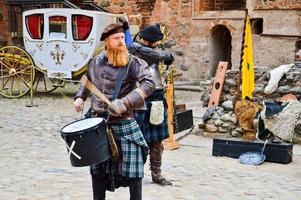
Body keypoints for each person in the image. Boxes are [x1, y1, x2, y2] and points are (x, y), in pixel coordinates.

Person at [73, 22, 155, 200]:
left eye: (122, 38)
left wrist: (125, 102)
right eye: (116, 38)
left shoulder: (134, 63)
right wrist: (80, 97)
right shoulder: (95, 62)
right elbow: (88, 80)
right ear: (107, 42)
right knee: (98, 171)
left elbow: (149, 84)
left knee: (134, 171)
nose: (121, 42)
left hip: (123, 122)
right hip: (98, 124)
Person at [128, 24, 174, 186]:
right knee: (137, 137)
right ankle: (135, 172)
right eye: (154, 41)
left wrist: (163, 54)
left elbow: (157, 55)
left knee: (157, 139)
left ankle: (157, 173)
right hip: (139, 96)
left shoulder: (151, 50)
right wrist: (164, 55)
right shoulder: (134, 47)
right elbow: (153, 55)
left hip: (156, 96)